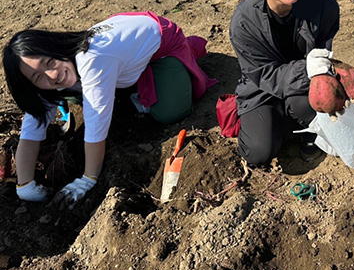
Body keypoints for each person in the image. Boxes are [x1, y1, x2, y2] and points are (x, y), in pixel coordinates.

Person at [3, 12, 217, 205]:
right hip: (120, 53)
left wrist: (88, 179)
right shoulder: (59, 77)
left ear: (55, 47)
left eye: (49, 62)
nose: (52, 75)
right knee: (75, 94)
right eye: (38, 77)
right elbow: (31, 130)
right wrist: (25, 187)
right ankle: (133, 78)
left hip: (162, 44)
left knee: (170, 112)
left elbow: (96, 128)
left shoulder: (91, 58)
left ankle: (176, 66)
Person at [229, 0, 340, 166]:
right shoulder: (243, 23)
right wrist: (307, 69)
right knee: (259, 152)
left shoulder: (324, 6)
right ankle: (273, 118)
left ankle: (306, 127)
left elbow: (323, 54)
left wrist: (335, 74)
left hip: (306, 84)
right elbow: (263, 74)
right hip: (261, 86)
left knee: (304, 104)